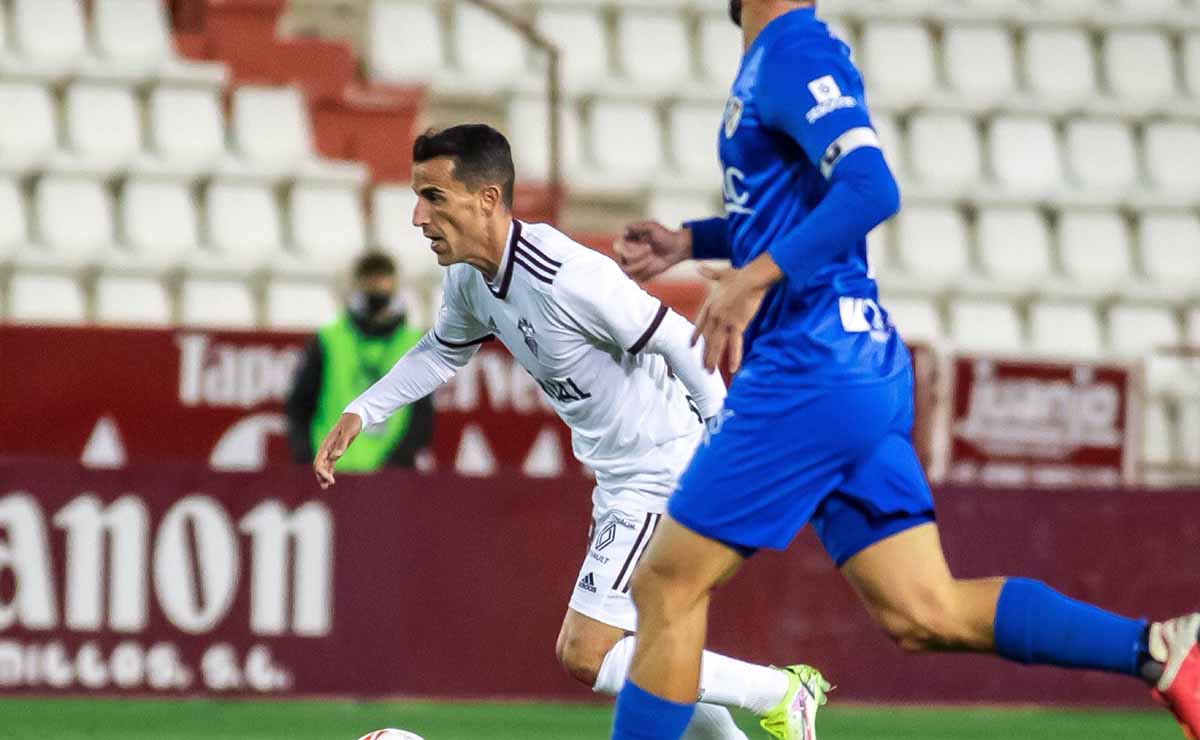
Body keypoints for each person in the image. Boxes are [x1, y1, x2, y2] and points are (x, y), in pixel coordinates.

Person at [607, 2, 1200, 740]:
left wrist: (752, 276)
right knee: (924, 611)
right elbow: (799, 206)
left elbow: (871, 186)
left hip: (810, 366)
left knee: (667, 584)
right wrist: (687, 239)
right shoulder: (782, 56)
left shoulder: (793, 55)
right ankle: (1158, 650)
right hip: (857, 367)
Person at [313, 124, 830, 740]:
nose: (418, 216)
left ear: (486, 199)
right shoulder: (470, 280)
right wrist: (363, 411)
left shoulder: (565, 274)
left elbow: (675, 338)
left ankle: (780, 691)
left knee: (586, 652)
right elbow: (442, 352)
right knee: (651, 641)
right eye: (417, 196)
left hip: (663, 466)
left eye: (434, 198)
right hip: (621, 474)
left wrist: (724, 441)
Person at [286, 253, 433, 471]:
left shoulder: (413, 343)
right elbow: (300, 406)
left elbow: (422, 417)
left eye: (381, 279)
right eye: (369, 279)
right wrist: (308, 456)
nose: (375, 288)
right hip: (331, 474)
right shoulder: (328, 340)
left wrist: (398, 463)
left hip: (389, 479)